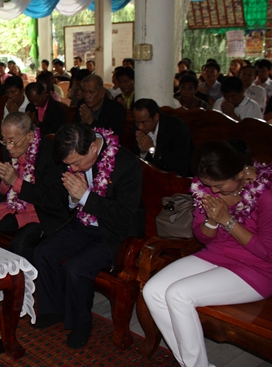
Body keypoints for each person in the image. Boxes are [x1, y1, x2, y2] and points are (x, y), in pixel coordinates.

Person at [143, 141, 272, 367]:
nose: (213, 191)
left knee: (178, 295)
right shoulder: (206, 187)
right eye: (207, 185)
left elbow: (267, 252)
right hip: (215, 255)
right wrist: (212, 221)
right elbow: (202, 236)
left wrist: (227, 221)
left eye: (219, 185)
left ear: (240, 173)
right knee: (153, 290)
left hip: (256, 269)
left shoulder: (266, 195)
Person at [34, 123, 144, 348]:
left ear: (93, 148)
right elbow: (70, 201)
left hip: (113, 233)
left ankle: (82, 323)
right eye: (69, 164)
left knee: (76, 268)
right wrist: (75, 198)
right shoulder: (76, 156)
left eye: (76, 163)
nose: (72, 168)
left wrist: (84, 196)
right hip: (83, 222)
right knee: (43, 252)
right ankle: (55, 309)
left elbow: (124, 215)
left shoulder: (126, 164)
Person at [0, 112, 70, 264]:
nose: (8, 147)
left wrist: (15, 181)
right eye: (4, 140)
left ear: (30, 136)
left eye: (12, 141)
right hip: (11, 207)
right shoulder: (9, 148)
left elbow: (51, 197)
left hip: (40, 213)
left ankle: (21, 279)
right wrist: (7, 182)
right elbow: (3, 191)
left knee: (19, 245)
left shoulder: (51, 154)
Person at [133, 98, 194, 176]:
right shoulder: (137, 127)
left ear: (156, 117)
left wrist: (152, 149)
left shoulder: (177, 128)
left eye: (145, 122)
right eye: (137, 122)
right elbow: (136, 160)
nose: (140, 127)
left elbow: (180, 165)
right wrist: (143, 152)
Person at [73, 74, 127, 138]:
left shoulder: (116, 109)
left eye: (92, 92)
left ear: (102, 93)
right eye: (84, 92)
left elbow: (113, 137)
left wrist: (92, 122)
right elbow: (74, 129)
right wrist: (82, 123)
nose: (87, 96)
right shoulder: (82, 104)